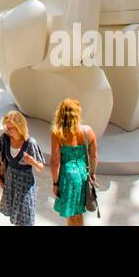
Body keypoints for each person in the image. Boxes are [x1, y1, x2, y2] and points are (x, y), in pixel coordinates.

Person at [0, 109, 46, 226]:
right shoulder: (5, 138)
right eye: (6, 127)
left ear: (19, 127)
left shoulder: (30, 143)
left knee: (24, 220)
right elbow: (1, 156)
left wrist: (32, 161)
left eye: (10, 128)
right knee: (16, 216)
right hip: (10, 181)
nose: (7, 130)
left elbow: (41, 167)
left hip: (25, 184)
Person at [51, 97, 97, 226]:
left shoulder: (57, 133)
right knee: (77, 213)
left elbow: (55, 162)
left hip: (67, 176)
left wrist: (55, 183)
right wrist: (92, 174)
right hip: (82, 175)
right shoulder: (88, 131)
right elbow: (94, 156)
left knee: (71, 214)